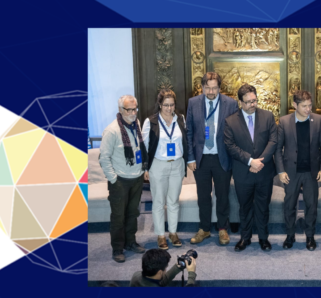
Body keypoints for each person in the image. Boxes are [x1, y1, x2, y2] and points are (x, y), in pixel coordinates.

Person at [186, 72, 239, 246]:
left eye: (214, 87)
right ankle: (204, 228)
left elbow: (235, 132)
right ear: (201, 87)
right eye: (207, 87)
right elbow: (189, 132)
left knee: (223, 195)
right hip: (201, 158)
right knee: (203, 196)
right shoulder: (193, 103)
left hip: (222, 157)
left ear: (219, 87)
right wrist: (191, 157)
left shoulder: (230, 104)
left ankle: (223, 229)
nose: (210, 91)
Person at [224, 84, 278, 252]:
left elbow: (273, 141)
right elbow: (230, 146)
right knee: (245, 207)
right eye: (248, 102)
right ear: (240, 102)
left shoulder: (268, 117)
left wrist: (260, 162)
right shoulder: (230, 121)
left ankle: (263, 238)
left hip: (264, 172)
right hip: (243, 172)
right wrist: (250, 161)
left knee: (263, 207)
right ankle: (245, 238)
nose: (252, 105)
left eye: (254, 101)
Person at [275, 90, 321, 251]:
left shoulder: (318, 120)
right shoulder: (284, 122)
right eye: (304, 106)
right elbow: (278, 149)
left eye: (310, 105)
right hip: (291, 172)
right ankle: (290, 235)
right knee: (289, 205)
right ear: (294, 105)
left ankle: (310, 236)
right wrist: (281, 171)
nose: (308, 109)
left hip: (311, 171)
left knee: (311, 205)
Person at [99, 95, 147, 263]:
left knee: (133, 213)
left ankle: (130, 242)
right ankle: (118, 248)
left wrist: (142, 170)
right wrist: (113, 179)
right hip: (119, 181)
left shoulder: (137, 124)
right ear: (120, 110)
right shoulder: (111, 131)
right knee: (118, 216)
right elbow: (104, 158)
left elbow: (138, 148)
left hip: (137, 177)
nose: (133, 113)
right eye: (129, 109)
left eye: (135, 109)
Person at [142, 89, 189, 250]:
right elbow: (145, 146)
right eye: (166, 105)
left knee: (173, 201)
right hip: (158, 165)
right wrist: (145, 167)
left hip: (177, 164)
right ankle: (161, 235)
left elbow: (186, 141)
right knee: (159, 202)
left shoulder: (181, 119)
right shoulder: (151, 121)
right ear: (160, 105)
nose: (169, 108)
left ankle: (173, 233)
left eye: (172, 105)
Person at [130, 249, 197, 287]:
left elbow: (161, 281)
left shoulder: (136, 275)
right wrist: (191, 274)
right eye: (165, 268)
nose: (165, 270)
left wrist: (177, 267)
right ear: (160, 272)